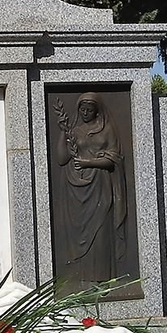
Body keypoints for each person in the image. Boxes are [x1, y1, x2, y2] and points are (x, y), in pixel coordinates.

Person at [56, 92, 129, 285]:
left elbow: (114, 159)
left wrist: (89, 162)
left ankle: (102, 277)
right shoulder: (75, 130)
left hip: (100, 186)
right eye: (82, 109)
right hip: (75, 188)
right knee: (78, 232)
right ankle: (79, 277)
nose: (86, 112)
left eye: (90, 109)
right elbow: (62, 159)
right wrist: (64, 132)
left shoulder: (107, 130)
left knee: (100, 232)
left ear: (97, 111)